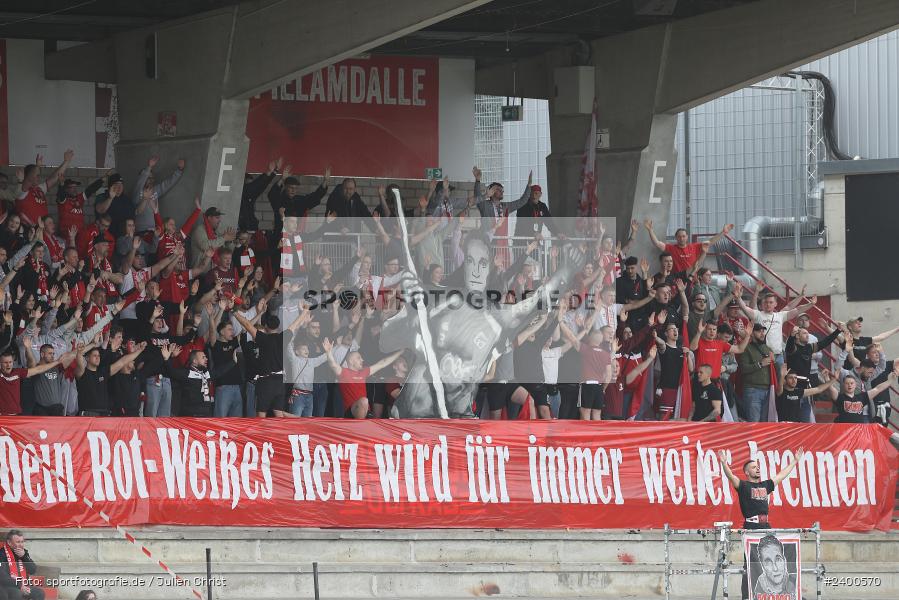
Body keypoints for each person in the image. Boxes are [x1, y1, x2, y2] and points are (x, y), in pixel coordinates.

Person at [719, 447, 805, 600]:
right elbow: (730, 476)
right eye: (753, 467)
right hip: (751, 528)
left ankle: (777, 594)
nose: (757, 468)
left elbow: (781, 476)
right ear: (746, 472)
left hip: (766, 528)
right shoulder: (743, 486)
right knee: (750, 565)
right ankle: (746, 596)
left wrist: (795, 461)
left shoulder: (765, 485)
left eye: (757, 466)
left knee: (773, 561)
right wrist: (724, 464)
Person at [324, 337, 402, 419]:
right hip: (352, 411)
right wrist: (328, 352)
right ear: (351, 361)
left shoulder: (363, 372)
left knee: (366, 403)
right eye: (359, 358)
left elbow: (382, 363)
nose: (362, 360)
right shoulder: (344, 372)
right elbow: (333, 365)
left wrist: (401, 351)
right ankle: (361, 425)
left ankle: (364, 423)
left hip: (366, 412)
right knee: (364, 400)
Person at [644, 220, 732, 274]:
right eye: (679, 236)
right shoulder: (671, 248)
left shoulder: (694, 247)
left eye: (683, 236)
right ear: (676, 238)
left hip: (692, 279)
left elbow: (710, 241)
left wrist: (723, 232)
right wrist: (650, 230)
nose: (681, 238)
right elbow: (657, 243)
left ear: (687, 237)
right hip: (677, 280)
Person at [0, 529, 44, 600]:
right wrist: (20, 586)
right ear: (9, 542)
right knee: (17, 593)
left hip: (24, 584)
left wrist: (24, 557)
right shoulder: (2, 554)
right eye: (18, 542)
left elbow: (33, 570)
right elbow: (2, 577)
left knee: (39, 593)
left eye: (22, 542)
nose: (21, 545)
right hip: (8, 586)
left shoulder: (24, 553)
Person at [752, 535, 798, 599]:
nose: (775, 568)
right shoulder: (760, 585)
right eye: (768, 562)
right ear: (762, 565)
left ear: (784, 560)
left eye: (778, 559)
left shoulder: (795, 581)